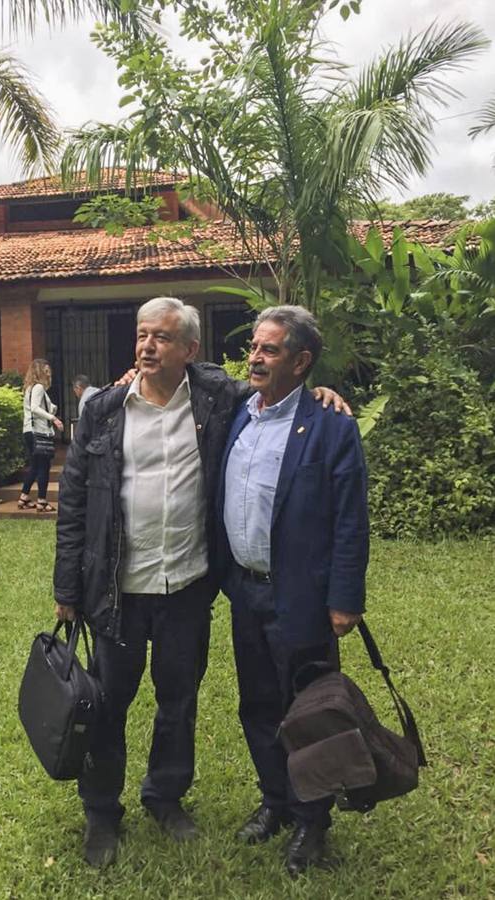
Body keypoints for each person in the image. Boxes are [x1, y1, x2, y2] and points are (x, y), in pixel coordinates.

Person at [53, 297, 346, 868]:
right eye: (141, 335)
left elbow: (281, 389)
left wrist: (322, 392)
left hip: (188, 585)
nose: (145, 347)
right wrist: (67, 589)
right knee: (109, 704)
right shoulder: (104, 410)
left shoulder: (218, 400)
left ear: (189, 350)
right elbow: (72, 506)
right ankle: (101, 812)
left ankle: (165, 796)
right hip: (117, 590)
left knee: (178, 702)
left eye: (161, 338)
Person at [216, 305, 369, 877]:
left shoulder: (332, 426)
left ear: (301, 362)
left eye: (270, 350)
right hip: (245, 592)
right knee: (257, 705)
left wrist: (345, 598)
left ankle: (313, 821)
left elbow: (351, 520)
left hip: (303, 596)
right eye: (254, 346)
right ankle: (276, 800)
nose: (255, 357)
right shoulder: (238, 412)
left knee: (307, 713)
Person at [19, 359, 64, 513]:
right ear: (39, 371)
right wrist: (54, 418)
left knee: (36, 466)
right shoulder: (38, 388)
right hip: (38, 432)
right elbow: (34, 408)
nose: (49, 373)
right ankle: (42, 502)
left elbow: (41, 408)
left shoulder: (31, 388)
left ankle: (24, 497)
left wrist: (51, 409)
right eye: (46, 370)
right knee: (43, 467)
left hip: (29, 431)